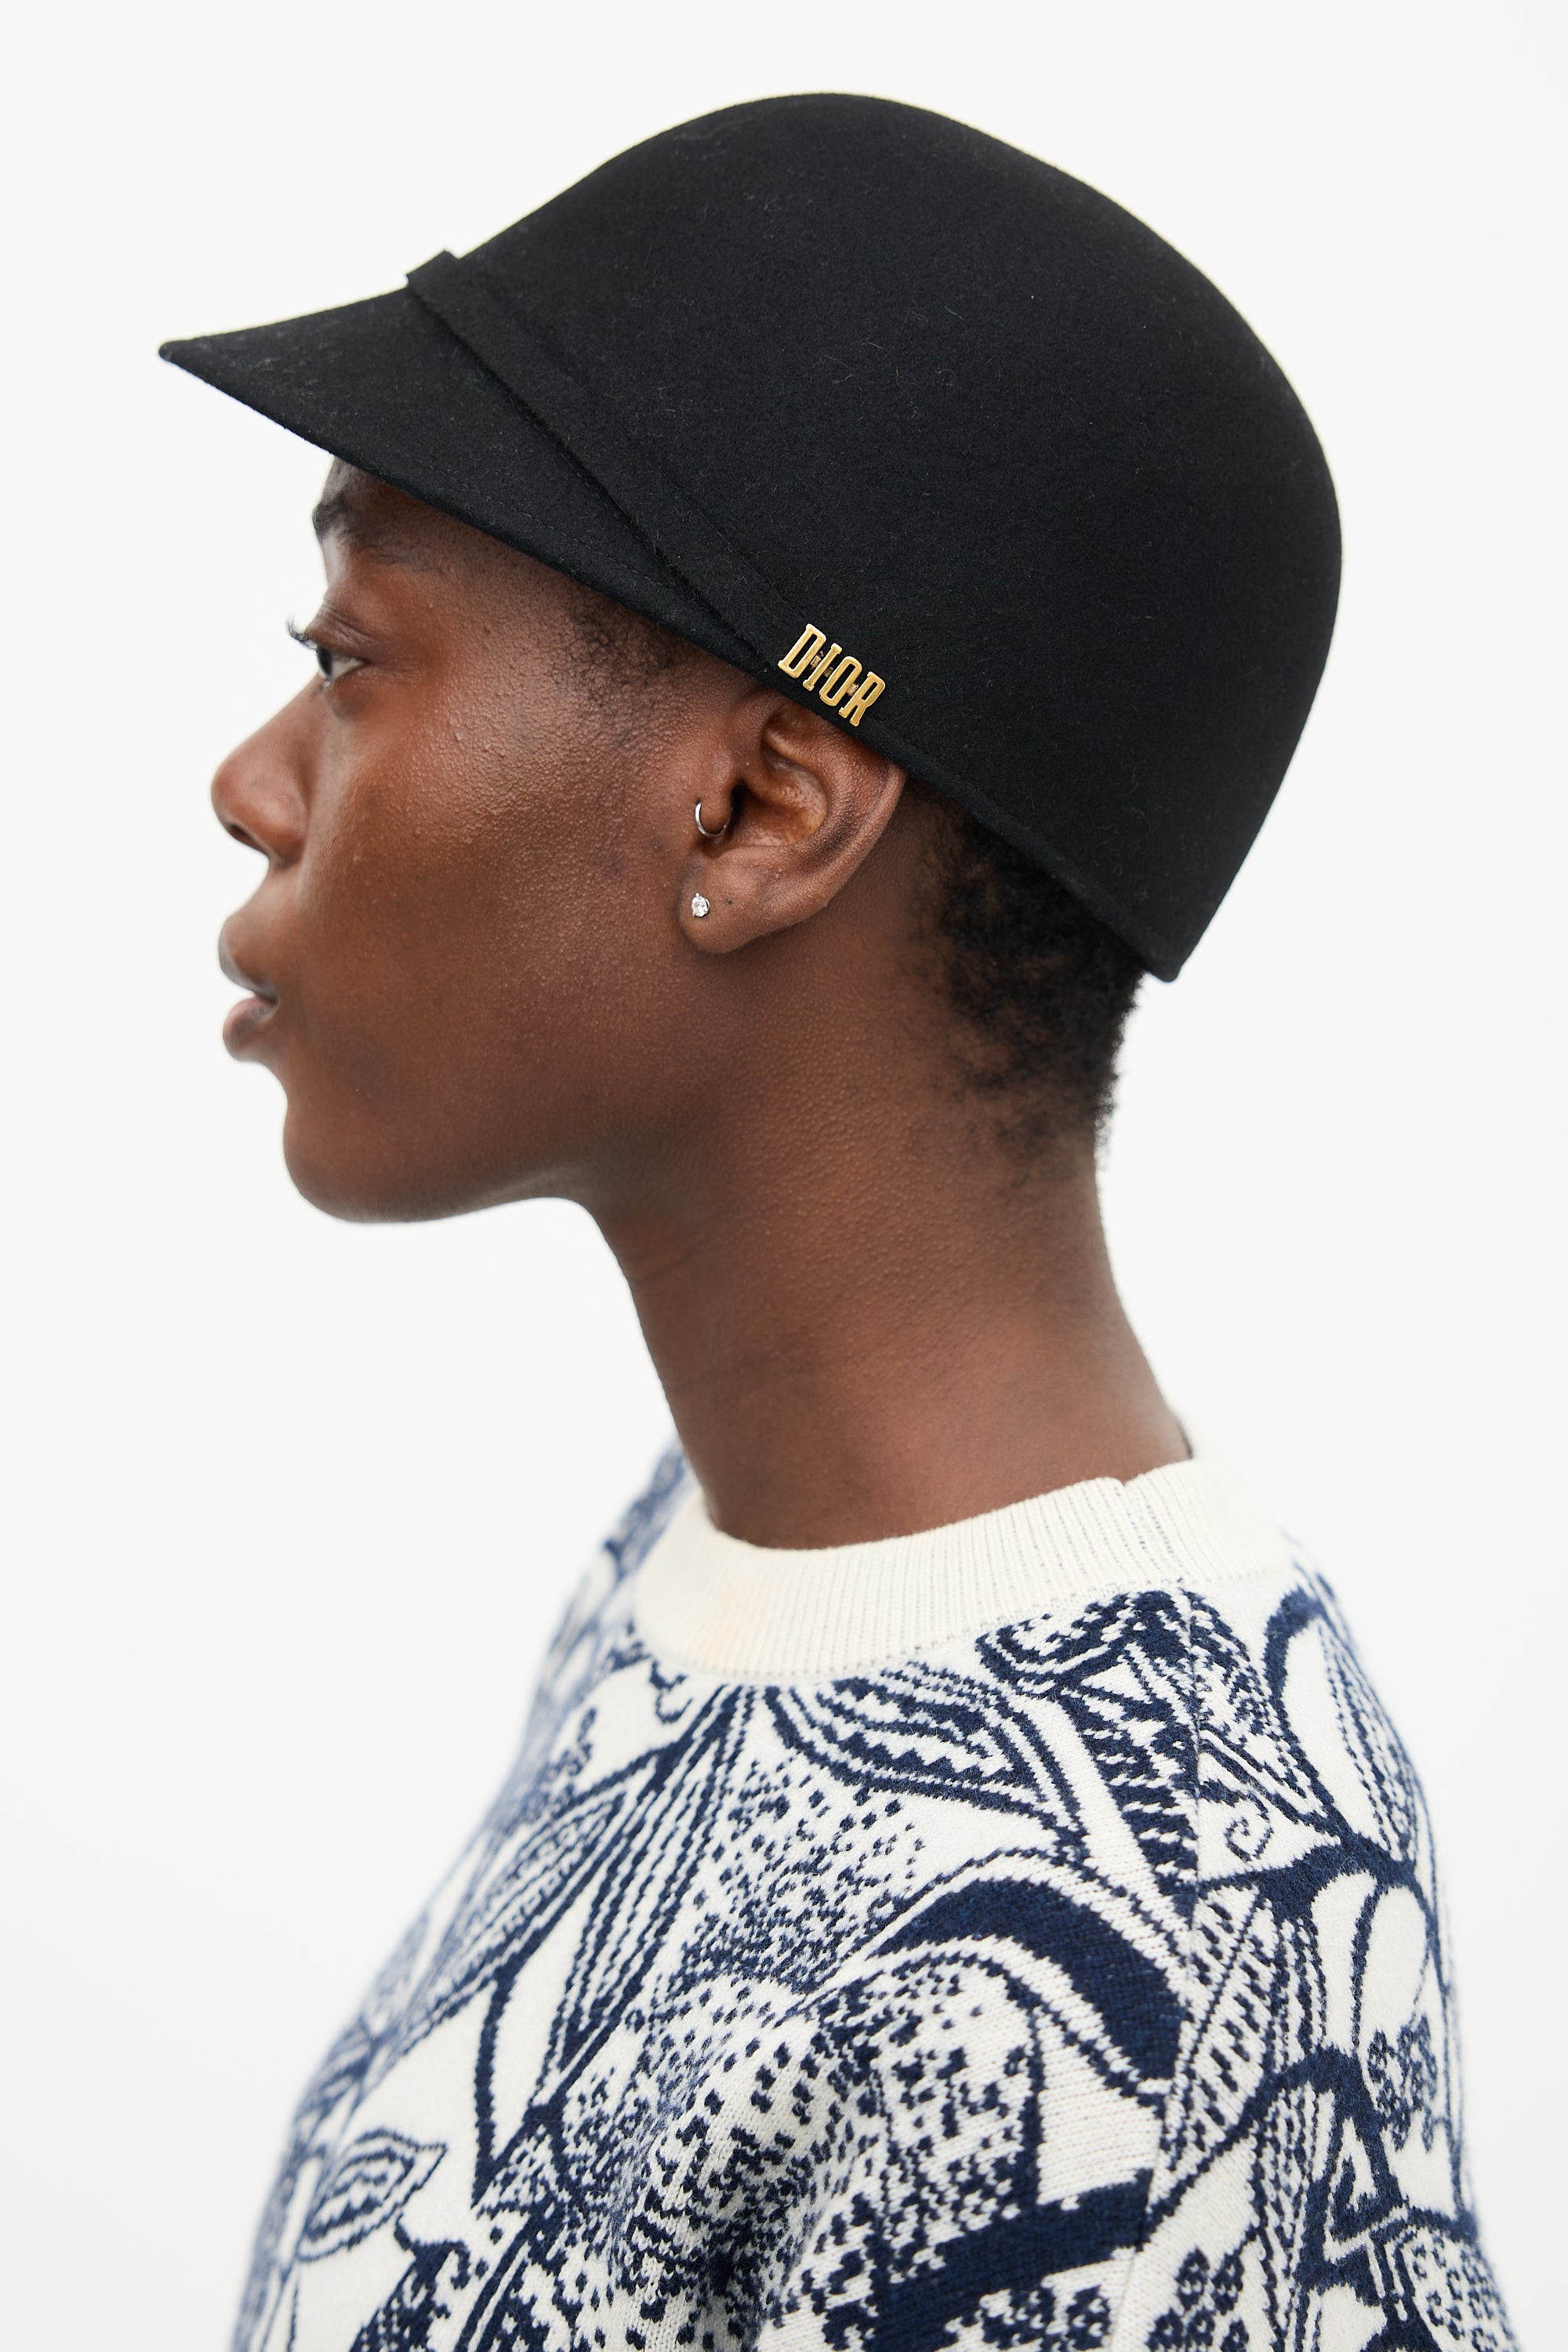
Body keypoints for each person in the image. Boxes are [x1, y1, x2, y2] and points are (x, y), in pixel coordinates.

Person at [163, 94, 1512, 2352]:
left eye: (353, 658)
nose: (253, 785)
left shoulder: (1156, 1963)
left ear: (760, 806)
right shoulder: (706, 1560)